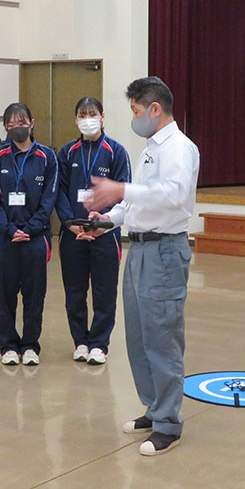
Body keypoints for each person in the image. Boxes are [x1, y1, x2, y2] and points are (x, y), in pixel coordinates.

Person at [84, 76, 199, 456]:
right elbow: (136, 204)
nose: (134, 119)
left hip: (165, 250)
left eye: (135, 111)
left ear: (154, 109)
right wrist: (106, 220)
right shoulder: (150, 149)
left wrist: (120, 190)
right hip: (140, 249)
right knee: (138, 335)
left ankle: (169, 422)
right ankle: (153, 407)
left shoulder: (179, 148)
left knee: (162, 336)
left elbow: (172, 195)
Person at [55, 97, 131, 365]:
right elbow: (60, 193)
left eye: (92, 113)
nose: (87, 118)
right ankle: (80, 341)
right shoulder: (66, 153)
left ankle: (99, 344)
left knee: (104, 291)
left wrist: (104, 224)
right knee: (74, 290)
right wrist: (70, 223)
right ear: (75, 119)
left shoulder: (116, 151)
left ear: (102, 116)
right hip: (73, 234)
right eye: (82, 114)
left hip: (105, 234)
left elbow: (124, 194)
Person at [0, 103, 58, 366]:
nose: (18, 126)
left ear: (32, 122)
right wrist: (9, 229)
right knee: (4, 296)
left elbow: (49, 199)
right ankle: (8, 346)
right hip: (4, 238)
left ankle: (30, 345)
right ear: (6, 127)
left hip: (36, 238)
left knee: (34, 295)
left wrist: (30, 229)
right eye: (12, 123)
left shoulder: (48, 157)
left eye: (22, 121)